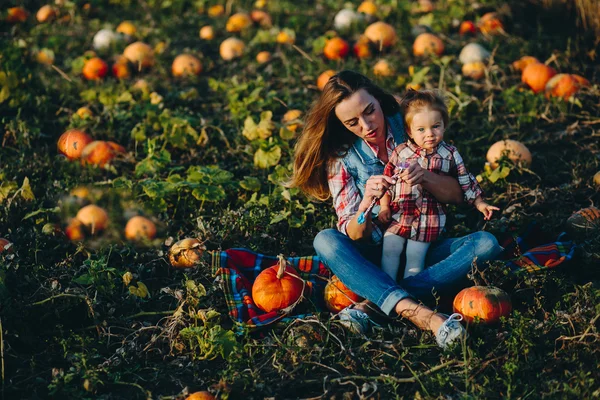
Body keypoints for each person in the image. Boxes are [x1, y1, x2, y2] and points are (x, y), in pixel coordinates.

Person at [287, 70, 503, 349]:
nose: (366, 126)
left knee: (485, 244)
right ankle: (425, 316)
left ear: (379, 100)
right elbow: (355, 235)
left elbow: (458, 195)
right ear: (341, 125)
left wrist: (424, 176)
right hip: (372, 255)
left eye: (370, 111)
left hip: (422, 246)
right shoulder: (341, 159)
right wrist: (366, 203)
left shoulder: (412, 123)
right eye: (353, 122)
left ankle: (377, 303)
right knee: (325, 241)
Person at [378, 89, 500, 282]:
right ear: (409, 131)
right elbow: (387, 179)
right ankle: (386, 286)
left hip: (429, 219)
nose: (430, 134)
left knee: (415, 256)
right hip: (400, 214)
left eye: (436, 126)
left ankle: (411, 290)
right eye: (421, 129)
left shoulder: (449, 154)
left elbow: (465, 179)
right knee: (390, 248)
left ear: (444, 125)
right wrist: (384, 206)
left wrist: (480, 203)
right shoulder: (400, 152)